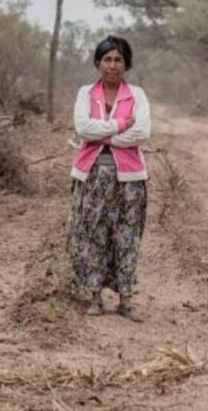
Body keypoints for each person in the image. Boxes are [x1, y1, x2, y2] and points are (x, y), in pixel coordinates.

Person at [67, 35, 151, 322]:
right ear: (97, 63)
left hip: (129, 178)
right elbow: (82, 128)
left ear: (126, 63)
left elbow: (142, 132)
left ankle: (126, 300)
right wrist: (118, 126)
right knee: (92, 234)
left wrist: (102, 135)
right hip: (91, 176)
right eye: (107, 59)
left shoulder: (137, 95)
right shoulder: (85, 93)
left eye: (118, 59)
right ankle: (94, 297)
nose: (112, 65)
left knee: (126, 236)